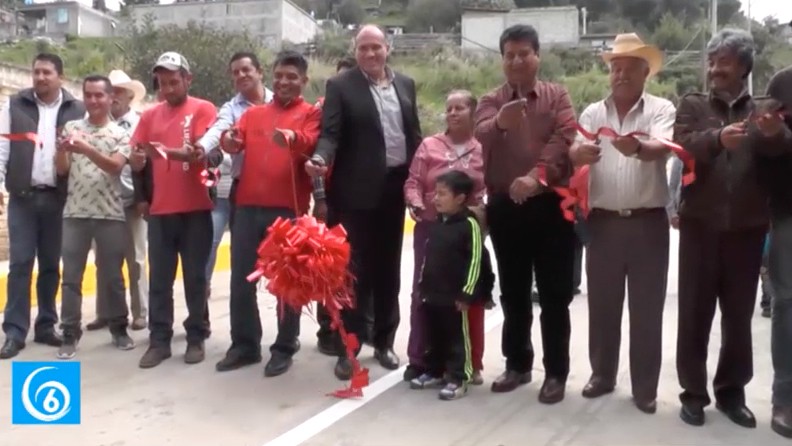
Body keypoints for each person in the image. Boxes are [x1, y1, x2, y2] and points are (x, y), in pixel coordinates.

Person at [673, 29, 791, 428]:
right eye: (711, 62)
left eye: (723, 62)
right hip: (699, 227)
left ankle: (731, 393)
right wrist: (718, 139)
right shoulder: (692, 104)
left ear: (743, 65)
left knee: (738, 318)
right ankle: (693, 394)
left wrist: (775, 134)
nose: (714, 69)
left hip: (747, 229)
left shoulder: (763, 109)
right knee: (694, 314)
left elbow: (780, 152)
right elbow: (683, 146)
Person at [306, 24, 422, 379]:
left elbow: (414, 135)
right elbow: (330, 134)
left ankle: (384, 342)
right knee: (352, 274)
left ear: (388, 47)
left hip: (394, 190)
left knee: (388, 269)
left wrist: (424, 178)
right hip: (354, 194)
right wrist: (320, 158)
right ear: (354, 51)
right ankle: (348, 348)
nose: (370, 53)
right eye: (363, 48)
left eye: (376, 47)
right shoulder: (341, 86)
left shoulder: (406, 85)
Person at [570, 33, 676, 414]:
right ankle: (602, 374)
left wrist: (638, 147)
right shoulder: (592, 113)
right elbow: (575, 149)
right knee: (602, 305)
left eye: (630, 68)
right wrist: (577, 152)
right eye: (616, 68)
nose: (621, 75)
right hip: (603, 223)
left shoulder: (661, 109)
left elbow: (662, 147)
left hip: (648, 224)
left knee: (647, 310)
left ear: (646, 72)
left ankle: (645, 387)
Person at [474, 24, 577, 403]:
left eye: (524, 54)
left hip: (551, 205)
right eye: (509, 55)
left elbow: (565, 138)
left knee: (554, 294)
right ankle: (517, 364)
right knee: (513, 291)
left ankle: (556, 373)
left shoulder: (557, 96)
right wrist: (500, 122)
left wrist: (536, 177)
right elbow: (479, 134)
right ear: (502, 59)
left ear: (537, 56)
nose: (516, 61)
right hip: (505, 206)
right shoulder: (491, 100)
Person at [216, 50, 321, 377]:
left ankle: (285, 346)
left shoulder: (310, 114)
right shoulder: (253, 114)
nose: (284, 82)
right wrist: (229, 139)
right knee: (241, 279)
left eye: (292, 77)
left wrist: (294, 137)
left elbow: (311, 143)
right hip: (247, 207)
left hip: (287, 210)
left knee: (287, 282)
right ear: (271, 77)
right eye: (279, 76)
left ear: (304, 81)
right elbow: (232, 143)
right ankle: (244, 345)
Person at [129, 52, 217, 368]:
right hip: (162, 211)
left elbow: (201, 151)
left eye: (173, 82)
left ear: (187, 79)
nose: (167, 88)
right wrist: (139, 174)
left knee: (195, 278)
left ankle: (196, 336)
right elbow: (137, 158)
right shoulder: (149, 116)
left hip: (196, 209)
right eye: (162, 83)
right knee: (160, 281)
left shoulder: (203, 109)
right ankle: (159, 340)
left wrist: (171, 152)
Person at [0, 53, 86, 359]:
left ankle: (46, 325)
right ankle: (14, 331)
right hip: (22, 198)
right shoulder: (15, 105)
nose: (40, 77)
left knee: (51, 265)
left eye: (47, 72)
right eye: (36, 72)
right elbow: (3, 146)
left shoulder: (76, 109)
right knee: (20, 264)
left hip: (58, 199)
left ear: (60, 76)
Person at [403, 90, 487, 383]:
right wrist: (416, 203)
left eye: (459, 108)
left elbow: (488, 187)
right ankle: (421, 359)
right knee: (424, 293)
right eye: (449, 108)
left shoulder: (483, 148)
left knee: (467, 296)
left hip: (466, 231)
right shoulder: (429, 145)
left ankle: (471, 363)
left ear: (473, 112)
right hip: (430, 229)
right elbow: (413, 182)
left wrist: (481, 213)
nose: (452, 113)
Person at [54, 75, 134, 359]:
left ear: (111, 98)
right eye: (88, 95)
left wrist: (86, 149)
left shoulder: (120, 134)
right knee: (71, 278)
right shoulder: (72, 128)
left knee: (112, 277)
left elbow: (115, 167)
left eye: (99, 95)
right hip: (74, 212)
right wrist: (61, 151)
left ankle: (119, 327)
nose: (93, 100)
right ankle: (69, 332)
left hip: (109, 213)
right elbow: (62, 170)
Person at [408, 170, 490, 401]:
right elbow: (427, 257)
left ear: (460, 198)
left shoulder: (469, 225)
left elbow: (475, 261)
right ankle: (435, 371)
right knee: (434, 335)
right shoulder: (436, 223)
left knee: (456, 338)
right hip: (432, 293)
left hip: (455, 297)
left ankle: (458, 378)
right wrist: (422, 286)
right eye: (436, 193)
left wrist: (467, 293)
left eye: (442, 194)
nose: (436, 198)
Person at [199, 52, 273, 298]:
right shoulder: (231, 109)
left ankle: (287, 322)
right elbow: (219, 130)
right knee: (240, 263)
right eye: (235, 72)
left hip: (279, 191)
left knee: (283, 260)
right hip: (242, 191)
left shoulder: (279, 102)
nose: (241, 75)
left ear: (260, 72)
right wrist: (202, 147)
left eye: (246, 70)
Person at [314, 55, 375, 356]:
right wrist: (320, 199)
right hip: (331, 200)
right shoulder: (321, 110)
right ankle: (328, 328)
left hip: (363, 199)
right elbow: (316, 153)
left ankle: (364, 326)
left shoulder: (370, 109)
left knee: (362, 267)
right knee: (328, 269)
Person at [87, 69, 149, 332]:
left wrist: (144, 197)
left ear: (129, 96)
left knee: (136, 259)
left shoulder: (140, 124)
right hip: (102, 201)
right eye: (110, 91)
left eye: (118, 92)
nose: (113, 97)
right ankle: (105, 312)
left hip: (132, 200)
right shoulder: (94, 124)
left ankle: (140, 312)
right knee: (103, 261)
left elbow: (147, 165)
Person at [758, 63, 792, 438]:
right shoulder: (783, 83)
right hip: (788, 213)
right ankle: (785, 400)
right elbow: (766, 146)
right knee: (787, 303)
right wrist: (776, 135)